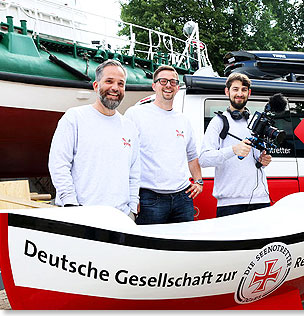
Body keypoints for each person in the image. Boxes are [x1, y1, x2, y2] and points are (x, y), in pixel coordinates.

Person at [48, 59, 140, 221]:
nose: (115, 88)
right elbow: (59, 164)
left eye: (121, 83)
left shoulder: (129, 127)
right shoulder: (74, 118)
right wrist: (70, 204)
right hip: (81, 214)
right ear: (96, 86)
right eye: (109, 81)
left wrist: (132, 208)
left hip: (121, 217)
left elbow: (134, 172)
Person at [124, 65, 203, 224]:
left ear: (177, 87)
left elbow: (192, 156)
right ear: (154, 85)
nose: (168, 85)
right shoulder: (135, 114)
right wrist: (131, 197)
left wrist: (199, 182)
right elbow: (124, 156)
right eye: (163, 81)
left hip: (183, 197)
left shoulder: (183, 120)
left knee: (183, 244)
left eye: (173, 82)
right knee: (151, 246)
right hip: (150, 198)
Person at [199, 73, 272, 217]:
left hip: (261, 199)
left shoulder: (257, 122)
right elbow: (204, 159)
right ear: (227, 92)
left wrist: (264, 161)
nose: (240, 94)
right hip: (230, 204)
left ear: (249, 93)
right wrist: (233, 150)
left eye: (244, 90)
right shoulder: (218, 122)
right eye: (235, 89)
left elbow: (259, 161)